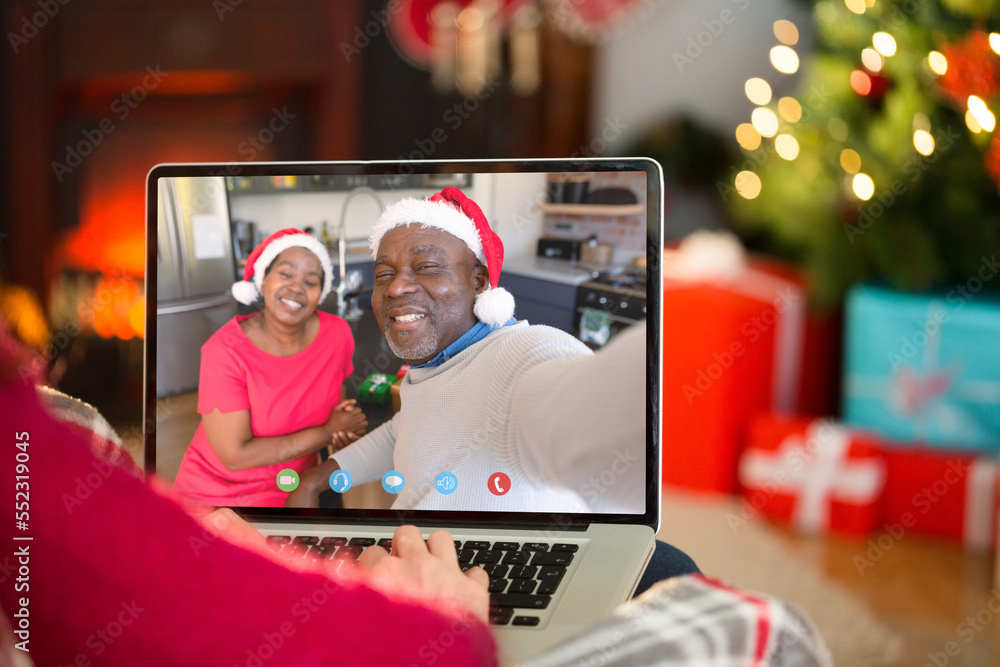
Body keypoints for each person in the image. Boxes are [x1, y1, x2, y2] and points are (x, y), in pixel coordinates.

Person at [293, 188, 646, 514]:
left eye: (426, 267)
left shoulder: (523, 353)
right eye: (384, 273)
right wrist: (315, 479)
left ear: (478, 282)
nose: (396, 286)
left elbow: (591, 424)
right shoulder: (437, 364)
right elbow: (410, 428)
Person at [172, 228, 368, 507]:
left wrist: (340, 430)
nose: (296, 287)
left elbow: (334, 400)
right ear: (262, 282)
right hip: (219, 498)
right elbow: (236, 455)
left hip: (296, 485)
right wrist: (326, 432)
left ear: (319, 294)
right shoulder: (225, 351)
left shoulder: (337, 333)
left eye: (310, 281)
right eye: (286, 274)